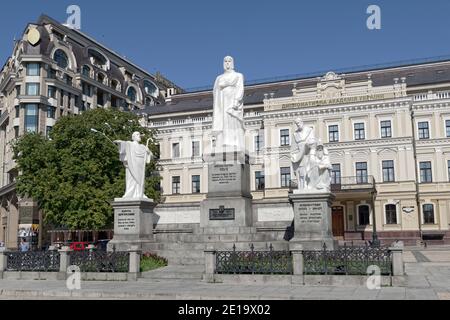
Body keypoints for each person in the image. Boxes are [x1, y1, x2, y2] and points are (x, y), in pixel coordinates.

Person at [212, 56, 245, 152]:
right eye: (225, 61)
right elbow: (215, 90)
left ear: (233, 63)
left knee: (233, 122)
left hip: (232, 103)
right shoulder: (219, 78)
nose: (227, 63)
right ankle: (224, 142)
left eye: (229, 61)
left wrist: (236, 101)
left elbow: (240, 88)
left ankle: (234, 143)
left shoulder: (238, 75)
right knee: (223, 122)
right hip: (222, 102)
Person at [114, 132, 153, 199]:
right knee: (131, 179)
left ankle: (140, 193)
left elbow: (151, 156)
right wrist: (120, 142)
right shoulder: (130, 144)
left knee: (141, 180)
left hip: (140, 166)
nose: (139, 136)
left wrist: (148, 151)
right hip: (132, 164)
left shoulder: (143, 147)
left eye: (139, 135)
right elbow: (124, 144)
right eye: (137, 135)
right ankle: (130, 193)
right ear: (133, 137)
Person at [290, 118, 316, 191]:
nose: (298, 124)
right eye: (296, 123)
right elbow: (293, 148)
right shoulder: (295, 134)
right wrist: (294, 156)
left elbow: (313, 141)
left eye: (298, 122)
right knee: (301, 172)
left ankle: (309, 186)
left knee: (309, 170)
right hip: (300, 156)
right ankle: (302, 186)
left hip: (308, 153)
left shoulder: (309, 130)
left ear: (302, 122)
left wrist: (308, 144)